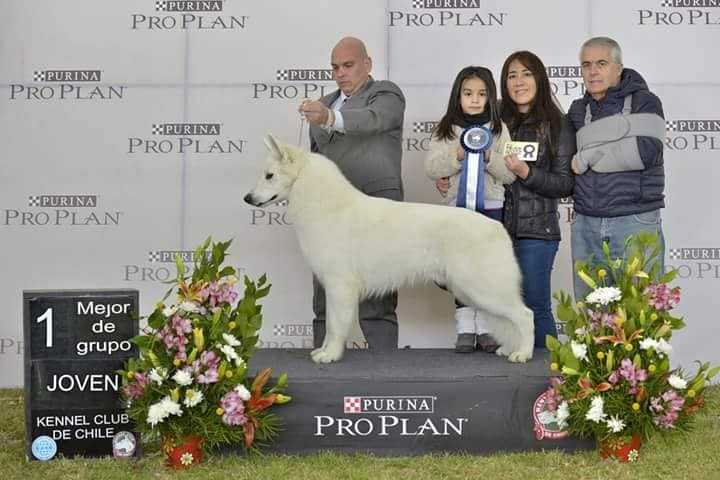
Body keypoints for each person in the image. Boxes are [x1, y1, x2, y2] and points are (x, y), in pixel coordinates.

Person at [298, 37, 406, 351]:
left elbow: (374, 120)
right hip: (329, 212)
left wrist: (329, 118)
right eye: (335, 67)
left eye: (348, 65)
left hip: (376, 205)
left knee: (376, 293)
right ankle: (323, 361)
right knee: (325, 289)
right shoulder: (325, 102)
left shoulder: (386, 93)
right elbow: (315, 160)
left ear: (367, 64)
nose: (340, 73)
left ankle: (382, 366)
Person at [424, 66, 515, 353]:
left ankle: (486, 326)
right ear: (457, 96)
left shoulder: (500, 129)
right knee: (459, 269)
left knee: (486, 269)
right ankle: (465, 327)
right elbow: (431, 167)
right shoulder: (445, 128)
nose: (474, 100)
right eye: (468, 93)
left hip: (491, 207)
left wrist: (489, 156)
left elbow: (511, 173)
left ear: (490, 97)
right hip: (456, 210)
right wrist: (458, 154)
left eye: (481, 94)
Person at [567, 37, 666, 299]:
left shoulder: (645, 101)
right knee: (590, 318)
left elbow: (645, 152)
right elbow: (565, 162)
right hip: (586, 223)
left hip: (634, 219)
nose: (593, 71)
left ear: (618, 68)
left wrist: (590, 154)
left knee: (642, 314)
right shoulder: (577, 110)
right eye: (586, 65)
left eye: (601, 63)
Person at [499, 51, 576, 348]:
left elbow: (565, 184)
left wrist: (526, 172)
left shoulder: (557, 124)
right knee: (499, 309)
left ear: (540, 79)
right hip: (495, 230)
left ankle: (549, 386)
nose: (519, 82)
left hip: (537, 233)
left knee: (535, 307)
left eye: (526, 74)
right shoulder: (496, 121)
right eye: (511, 75)